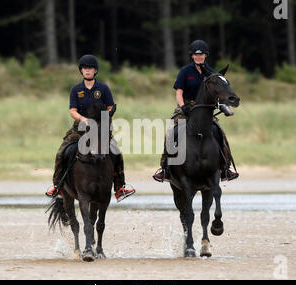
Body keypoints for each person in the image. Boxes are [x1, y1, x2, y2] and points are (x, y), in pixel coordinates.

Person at [46, 54, 135, 202]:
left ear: (95, 71)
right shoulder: (76, 89)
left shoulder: (103, 88)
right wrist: (83, 119)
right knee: (62, 151)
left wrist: (104, 117)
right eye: (85, 68)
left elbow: (110, 105)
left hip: (100, 127)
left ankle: (120, 187)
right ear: (81, 71)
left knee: (116, 152)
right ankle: (58, 185)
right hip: (80, 128)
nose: (87, 71)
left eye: (90, 68)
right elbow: (72, 111)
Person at [153, 40, 239, 182]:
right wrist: (183, 107)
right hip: (186, 107)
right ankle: (165, 169)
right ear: (192, 56)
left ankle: (225, 169)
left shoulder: (212, 73)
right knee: (171, 132)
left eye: (201, 54)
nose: (199, 57)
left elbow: (218, 94)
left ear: (206, 55)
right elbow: (179, 92)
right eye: (196, 54)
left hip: (205, 110)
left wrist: (224, 107)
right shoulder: (185, 71)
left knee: (220, 133)